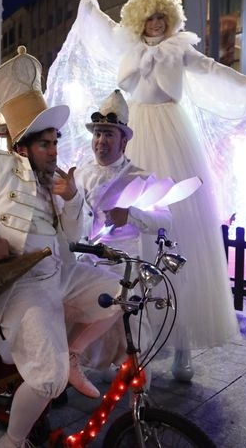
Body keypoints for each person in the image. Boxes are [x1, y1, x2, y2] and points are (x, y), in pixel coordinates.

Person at [0, 48, 121, 448]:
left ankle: (72, 356)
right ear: (23, 146)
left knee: (121, 294)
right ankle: (12, 442)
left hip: (59, 274)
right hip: (18, 286)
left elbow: (73, 234)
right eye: (45, 144)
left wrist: (73, 199)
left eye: (55, 142)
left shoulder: (55, 179)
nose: (54, 151)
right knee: (48, 378)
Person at [112, 0, 246, 371]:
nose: (156, 24)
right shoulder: (129, 53)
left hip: (172, 134)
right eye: (150, 18)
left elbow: (213, 69)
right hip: (137, 134)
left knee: (182, 231)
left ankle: (183, 344)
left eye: (161, 17)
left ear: (170, 19)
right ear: (139, 21)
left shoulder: (180, 49)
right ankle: (139, 342)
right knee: (135, 231)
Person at [73, 89, 175, 378]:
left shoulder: (139, 177)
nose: (101, 141)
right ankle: (68, 376)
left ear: (123, 140)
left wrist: (130, 215)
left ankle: (139, 391)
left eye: (108, 134)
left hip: (123, 270)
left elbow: (166, 220)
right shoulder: (79, 174)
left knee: (132, 332)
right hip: (85, 265)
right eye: (97, 134)